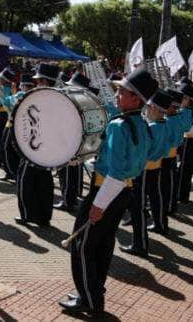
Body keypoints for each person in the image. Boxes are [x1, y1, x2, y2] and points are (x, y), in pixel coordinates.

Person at [60, 69, 156, 318]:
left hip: (105, 191)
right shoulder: (142, 124)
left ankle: (90, 300)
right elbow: (129, 163)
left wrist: (99, 204)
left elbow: (115, 171)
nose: (117, 95)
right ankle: (92, 292)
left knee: (82, 246)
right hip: (124, 191)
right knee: (102, 245)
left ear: (136, 99)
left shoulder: (119, 125)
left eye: (122, 92)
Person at [121, 89, 171, 257]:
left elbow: (143, 150)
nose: (146, 110)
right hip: (156, 167)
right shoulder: (166, 124)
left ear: (156, 109)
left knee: (138, 207)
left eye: (149, 107)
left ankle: (140, 244)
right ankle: (161, 224)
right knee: (156, 197)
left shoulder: (150, 127)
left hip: (143, 169)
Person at [15, 64, 61, 227]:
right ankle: (43, 217)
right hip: (47, 147)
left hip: (35, 146)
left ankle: (28, 215)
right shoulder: (58, 98)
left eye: (40, 80)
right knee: (44, 182)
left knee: (25, 179)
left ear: (46, 81)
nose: (37, 83)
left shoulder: (42, 97)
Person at [54, 72, 93, 212]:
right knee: (72, 172)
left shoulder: (78, 102)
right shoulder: (83, 101)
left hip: (71, 143)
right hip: (75, 143)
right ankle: (71, 198)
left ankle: (68, 201)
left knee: (67, 174)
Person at [2, 74, 34, 181]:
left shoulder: (20, 95)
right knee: (15, 150)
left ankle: (12, 172)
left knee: (8, 148)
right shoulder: (34, 95)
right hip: (23, 126)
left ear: (23, 85)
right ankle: (13, 172)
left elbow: (6, 101)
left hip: (14, 125)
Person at [162, 88, 184, 215]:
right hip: (170, 154)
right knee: (168, 182)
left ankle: (169, 206)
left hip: (168, 155)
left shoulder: (170, 121)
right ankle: (169, 205)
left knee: (167, 183)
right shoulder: (174, 118)